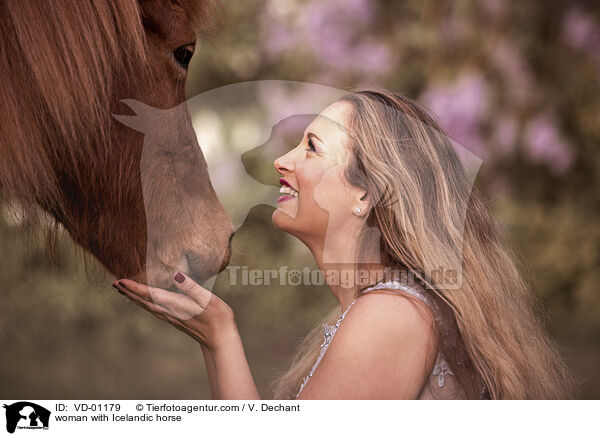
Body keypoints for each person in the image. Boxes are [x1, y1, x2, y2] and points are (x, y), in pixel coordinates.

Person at [113, 90, 574, 399]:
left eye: (311, 147)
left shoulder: (391, 317)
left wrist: (223, 337)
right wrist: (218, 338)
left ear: (366, 194)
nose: (281, 160)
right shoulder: (385, 310)